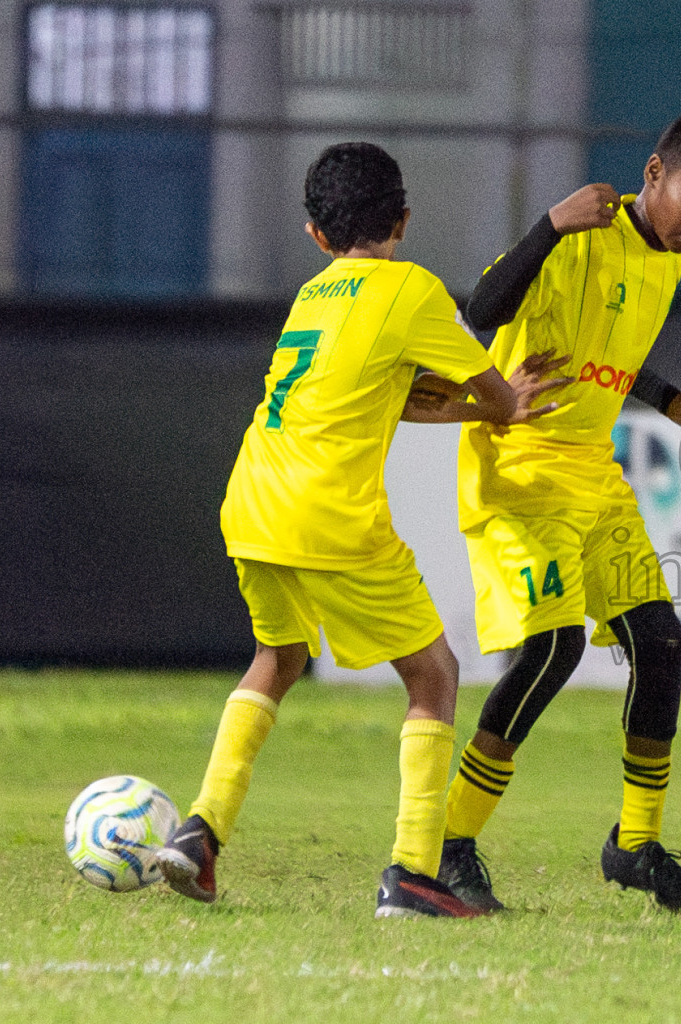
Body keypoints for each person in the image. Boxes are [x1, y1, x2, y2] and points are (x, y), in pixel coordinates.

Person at [156, 142, 568, 919]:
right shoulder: (409, 290)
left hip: (251, 501)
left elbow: (404, 398)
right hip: (331, 515)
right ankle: (413, 872)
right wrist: (505, 399)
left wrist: (484, 404)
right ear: (404, 219)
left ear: (316, 235)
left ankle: (200, 831)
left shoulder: (313, 296)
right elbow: (493, 395)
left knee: (275, 660)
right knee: (435, 675)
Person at [432, 111, 681, 915]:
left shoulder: (665, 259)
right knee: (553, 650)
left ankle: (635, 846)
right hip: (517, 470)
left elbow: (609, 351)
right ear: (653, 173)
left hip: (593, 476)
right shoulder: (581, 234)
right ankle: (449, 846)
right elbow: (483, 312)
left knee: (661, 642)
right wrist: (548, 225)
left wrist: (670, 400)